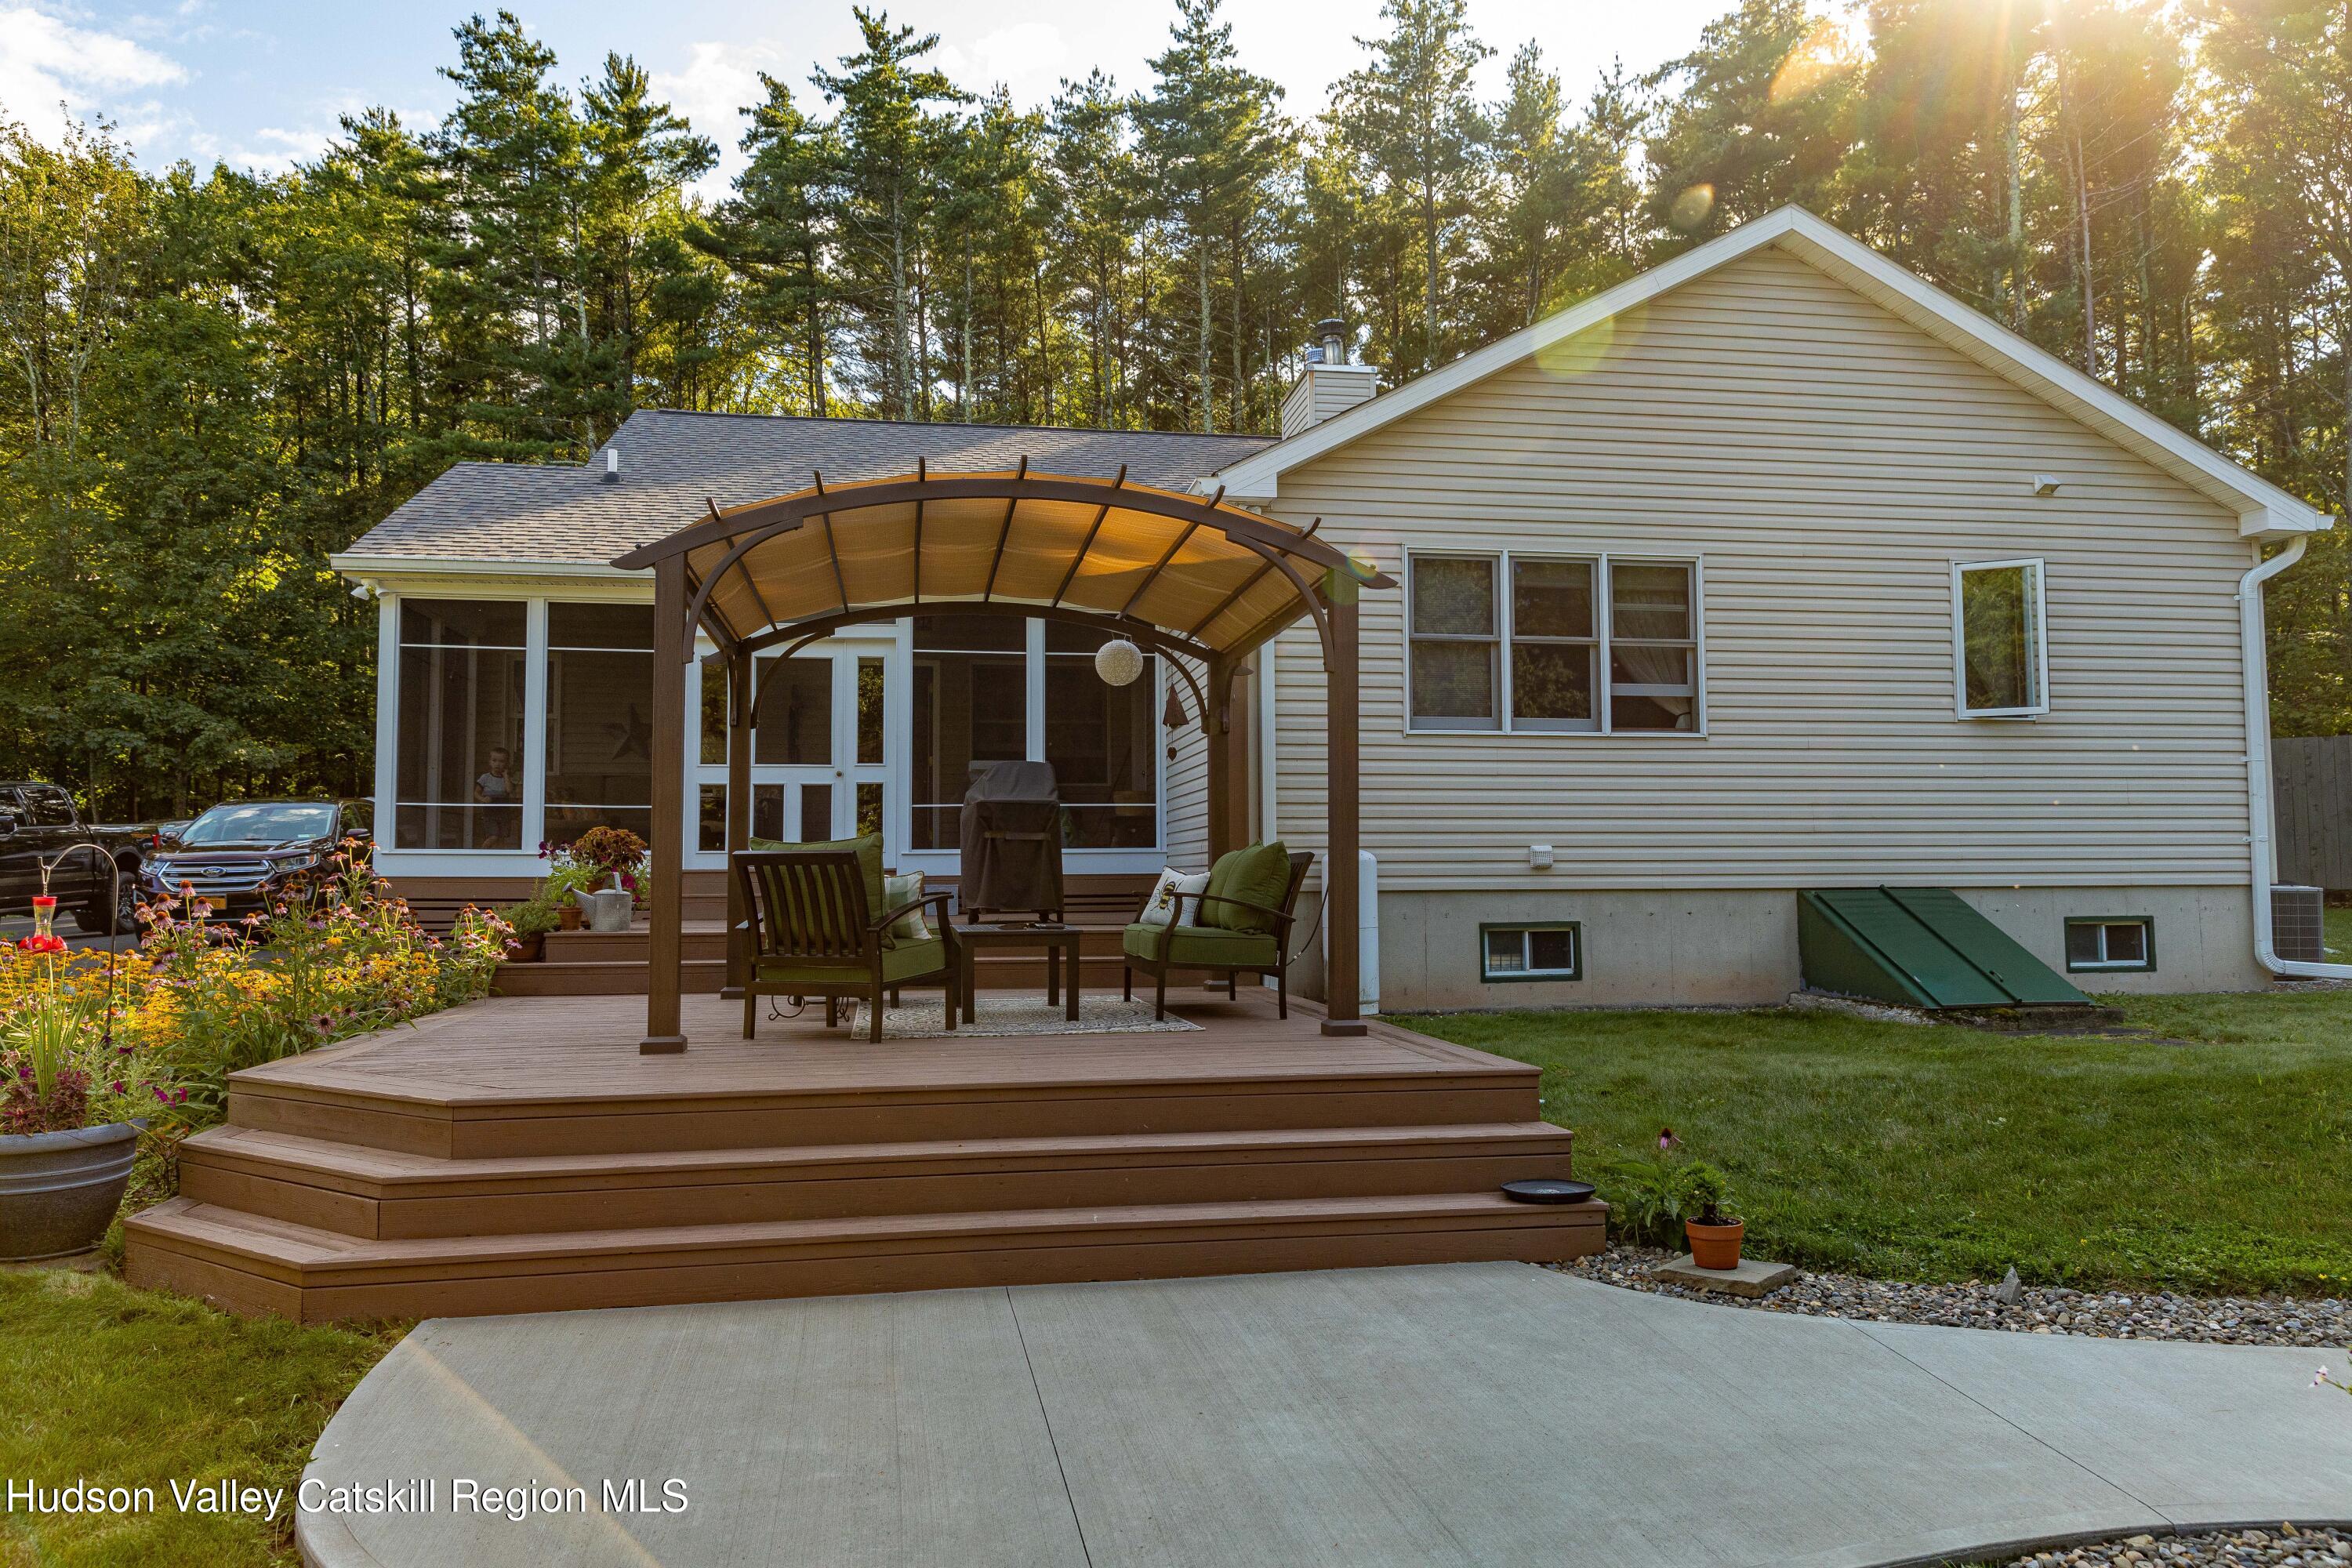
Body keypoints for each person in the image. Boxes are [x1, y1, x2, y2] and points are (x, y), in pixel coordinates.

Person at [474, 746, 517, 847]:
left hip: (504, 812)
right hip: (490, 813)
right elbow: (476, 793)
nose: (497, 764)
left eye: (501, 761)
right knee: (493, 836)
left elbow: (509, 790)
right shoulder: (485, 777)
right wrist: (483, 799)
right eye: (494, 760)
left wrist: (506, 775)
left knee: (501, 838)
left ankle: (499, 860)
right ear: (490, 762)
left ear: (506, 764)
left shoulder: (506, 779)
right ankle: (481, 853)